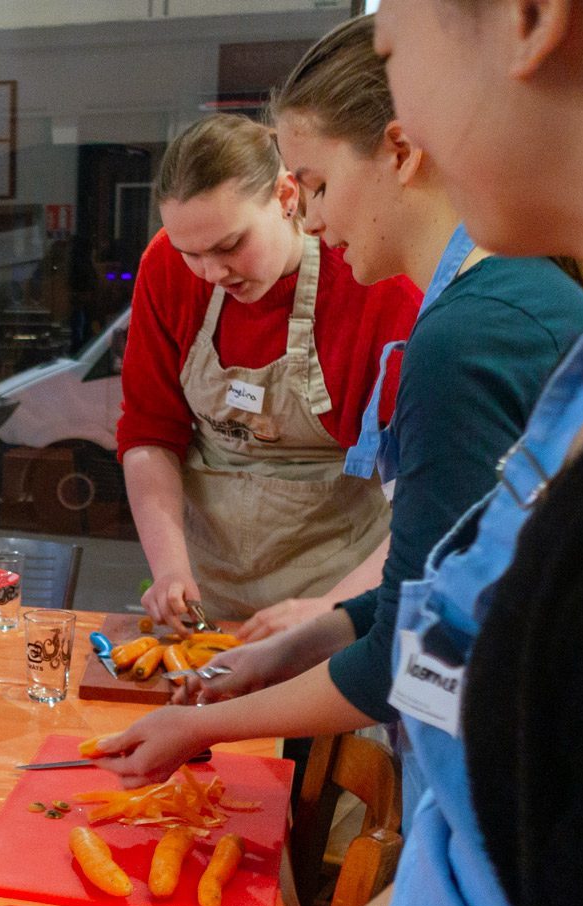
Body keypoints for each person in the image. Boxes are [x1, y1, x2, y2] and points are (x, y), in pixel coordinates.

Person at [135, 1, 583, 906]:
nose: (301, 210)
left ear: (530, 23)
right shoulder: (578, 351)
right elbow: (485, 829)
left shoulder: (480, 325)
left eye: (393, 52)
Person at [94, 15, 583, 821]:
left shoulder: (464, 335)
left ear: (404, 150)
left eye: (317, 186)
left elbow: (402, 655)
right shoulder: (508, 302)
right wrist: (294, 646)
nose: (316, 221)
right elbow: (444, 590)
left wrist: (206, 724)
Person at [117, 113, 420, 632]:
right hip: (208, 596)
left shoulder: (369, 279)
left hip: (343, 592)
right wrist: (169, 569)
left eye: (230, 246)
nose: (212, 273)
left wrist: (336, 612)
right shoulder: (165, 267)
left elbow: (423, 489)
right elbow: (149, 431)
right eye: (192, 253)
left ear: (285, 197)